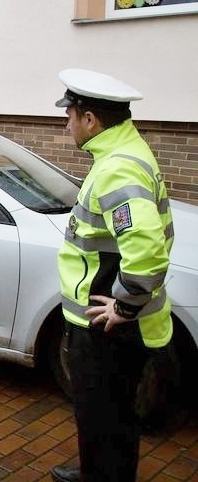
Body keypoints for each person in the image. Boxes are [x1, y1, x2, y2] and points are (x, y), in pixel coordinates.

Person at [50, 69, 174, 482]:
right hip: (109, 323)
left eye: (69, 114)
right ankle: (95, 472)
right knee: (107, 417)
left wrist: (125, 303)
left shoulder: (117, 168)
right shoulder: (122, 153)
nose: (65, 124)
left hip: (108, 327)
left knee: (105, 415)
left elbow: (146, 251)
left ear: (90, 119)